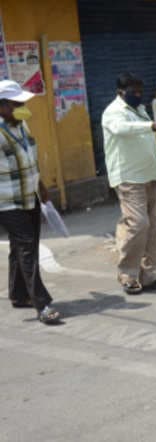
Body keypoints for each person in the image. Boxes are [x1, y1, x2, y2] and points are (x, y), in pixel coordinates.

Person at [101, 73, 156, 295]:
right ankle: (128, 275)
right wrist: (152, 125)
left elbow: (150, 147)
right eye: (133, 91)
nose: (137, 95)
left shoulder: (140, 110)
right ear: (120, 92)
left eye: (139, 91)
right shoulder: (113, 113)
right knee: (138, 224)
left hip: (149, 176)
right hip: (128, 178)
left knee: (151, 228)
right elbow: (121, 129)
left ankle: (150, 275)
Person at [0, 80, 60, 324]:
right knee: (26, 248)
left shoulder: (21, 124)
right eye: (17, 103)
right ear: (2, 105)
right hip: (6, 201)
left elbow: (29, 159)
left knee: (24, 246)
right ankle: (42, 304)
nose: (22, 107)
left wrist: (41, 185)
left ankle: (18, 294)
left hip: (29, 195)